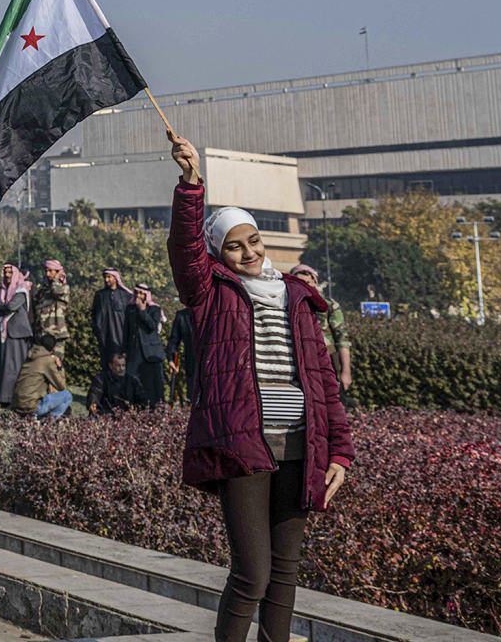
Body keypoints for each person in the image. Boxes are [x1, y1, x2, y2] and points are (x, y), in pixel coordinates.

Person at [166, 130, 353, 642]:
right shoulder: (210, 294)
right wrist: (191, 182)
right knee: (252, 574)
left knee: (286, 571)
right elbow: (184, 250)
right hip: (245, 442)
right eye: (234, 245)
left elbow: (323, 384)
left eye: (253, 240)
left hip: (301, 444)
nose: (248, 252)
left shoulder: (298, 296)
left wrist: (340, 452)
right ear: (218, 253)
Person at [289, 264, 352, 394]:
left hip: (327, 358)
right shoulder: (289, 304)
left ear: (314, 281)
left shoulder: (329, 305)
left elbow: (342, 339)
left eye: (307, 282)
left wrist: (346, 372)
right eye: (299, 283)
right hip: (299, 359)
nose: (305, 286)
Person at [0, 263, 34, 407]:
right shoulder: (1, 290)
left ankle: (9, 399)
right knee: (0, 364)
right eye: (5, 272)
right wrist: (0, 309)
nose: (7, 275)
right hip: (3, 332)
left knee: (13, 366)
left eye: (10, 272)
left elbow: (11, 306)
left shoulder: (21, 290)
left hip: (16, 334)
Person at [124, 283, 167, 406]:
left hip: (150, 352)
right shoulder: (130, 309)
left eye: (142, 293)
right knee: (132, 380)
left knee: (152, 384)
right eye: (137, 293)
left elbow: (152, 326)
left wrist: (142, 311)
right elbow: (126, 330)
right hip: (134, 350)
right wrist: (124, 350)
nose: (139, 296)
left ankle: (155, 409)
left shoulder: (155, 309)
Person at [13, 332, 72, 419]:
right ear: (53, 349)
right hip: (32, 407)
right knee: (67, 395)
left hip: (17, 404)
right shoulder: (47, 360)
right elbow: (61, 386)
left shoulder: (31, 355)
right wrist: (59, 367)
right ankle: (50, 421)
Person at [32, 259, 72, 357]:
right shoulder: (43, 289)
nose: (47, 274)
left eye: (51, 271)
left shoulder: (63, 287)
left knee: (55, 366)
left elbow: (56, 292)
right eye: (46, 271)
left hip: (57, 334)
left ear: (58, 272)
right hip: (42, 334)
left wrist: (57, 279)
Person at [87, 351, 146, 415]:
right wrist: (93, 403)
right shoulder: (101, 380)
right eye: (118, 365)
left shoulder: (133, 381)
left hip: (128, 416)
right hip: (106, 415)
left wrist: (134, 408)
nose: (121, 369)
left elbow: (143, 400)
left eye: (123, 365)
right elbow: (94, 393)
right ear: (110, 366)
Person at [91, 268, 130, 363]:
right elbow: (94, 316)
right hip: (105, 339)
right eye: (105, 277)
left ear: (115, 278)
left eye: (109, 277)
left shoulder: (125, 295)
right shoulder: (100, 295)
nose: (106, 280)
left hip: (122, 339)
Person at [164, 305, 197, 405]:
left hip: (211, 366)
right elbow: (173, 341)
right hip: (192, 365)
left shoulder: (211, 313)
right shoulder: (182, 316)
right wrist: (171, 360)